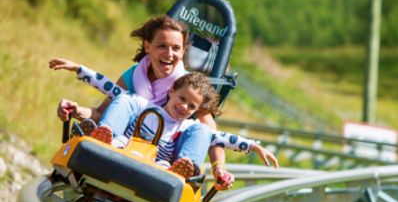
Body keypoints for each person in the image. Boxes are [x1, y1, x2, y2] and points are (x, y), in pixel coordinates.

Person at [50, 15, 233, 189]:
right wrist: (76, 110)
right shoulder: (133, 75)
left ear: (183, 51)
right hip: (123, 143)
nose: (169, 54)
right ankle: (102, 142)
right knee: (124, 99)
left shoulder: (190, 89)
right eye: (162, 46)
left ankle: (180, 170)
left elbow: (211, 136)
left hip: (164, 158)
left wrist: (219, 169)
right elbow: (101, 113)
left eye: (176, 48)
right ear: (148, 47)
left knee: (199, 130)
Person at [81, 72, 279, 179]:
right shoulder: (143, 105)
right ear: (172, 91)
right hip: (123, 145)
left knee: (204, 131)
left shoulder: (186, 127)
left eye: (191, 106)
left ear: (196, 111)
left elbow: (221, 138)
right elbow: (108, 86)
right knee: (124, 98)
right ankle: (104, 134)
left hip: (159, 165)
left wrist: (253, 145)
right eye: (182, 98)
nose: (184, 107)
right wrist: (78, 69)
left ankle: (184, 167)